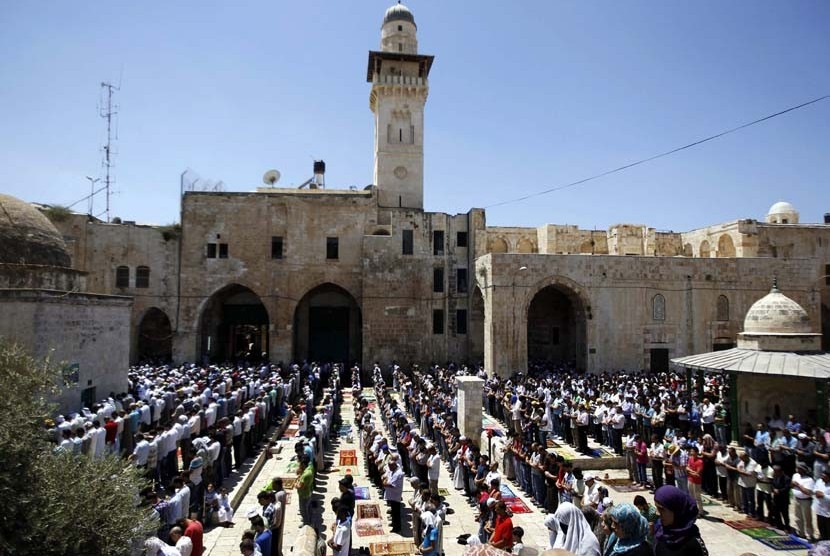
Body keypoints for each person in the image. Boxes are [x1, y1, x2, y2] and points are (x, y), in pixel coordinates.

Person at [653, 486, 708, 556]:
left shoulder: (693, 543)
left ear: (677, 511)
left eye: (661, 509)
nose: (657, 513)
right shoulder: (660, 530)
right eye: (656, 507)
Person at [793, 463, 815, 541]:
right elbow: (792, 485)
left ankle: (809, 535)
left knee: (807, 518)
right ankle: (801, 533)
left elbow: (807, 492)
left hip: (805, 501)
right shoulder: (795, 475)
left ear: (803, 470)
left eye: (799, 468)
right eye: (797, 468)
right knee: (798, 518)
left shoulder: (809, 480)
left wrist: (798, 485)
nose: (797, 470)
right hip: (796, 499)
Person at [383, 455, 405, 533]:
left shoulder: (398, 474)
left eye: (390, 467)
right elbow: (387, 476)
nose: (389, 469)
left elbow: (391, 484)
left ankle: (397, 527)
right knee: (393, 511)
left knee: (396, 512)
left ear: (394, 466)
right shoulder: (394, 468)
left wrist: (384, 483)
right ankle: (394, 523)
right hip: (392, 494)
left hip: (395, 495)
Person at [297, 456, 314, 527]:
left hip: (304, 495)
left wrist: (296, 484)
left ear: (303, 465)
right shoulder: (309, 469)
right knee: (308, 508)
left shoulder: (306, 475)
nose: (299, 466)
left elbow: (300, 487)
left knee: (303, 510)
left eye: (300, 464)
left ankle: (306, 523)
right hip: (308, 492)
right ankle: (308, 520)